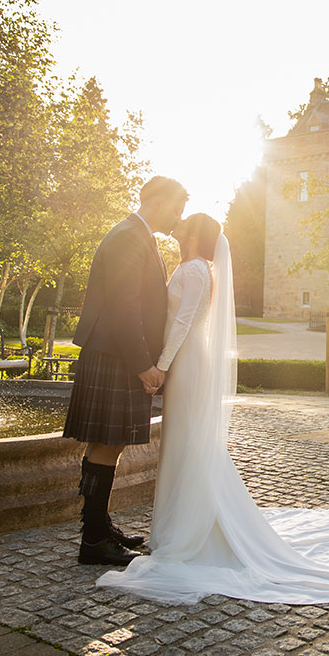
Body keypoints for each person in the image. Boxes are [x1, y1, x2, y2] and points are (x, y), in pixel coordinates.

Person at [96, 214, 329, 604]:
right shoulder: (195, 269)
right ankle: (176, 525)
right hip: (186, 361)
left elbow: (184, 321)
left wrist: (162, 367)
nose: (178, 223)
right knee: (183, 441)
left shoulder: (195, 271)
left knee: (189, 442)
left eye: (185, 221)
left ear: (193, 234)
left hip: (186, 363)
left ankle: (188, 528)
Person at [64, 176, 189, 566]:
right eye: (175, 207)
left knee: (107, 443)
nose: (178, 216)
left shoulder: (139, 235)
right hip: (114, 356)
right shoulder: (127, 237)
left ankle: (97, 528)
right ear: (156, 201)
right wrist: (144, 366)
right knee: (107, 443)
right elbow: (124, 309)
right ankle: (95, 540)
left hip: (114, 354)